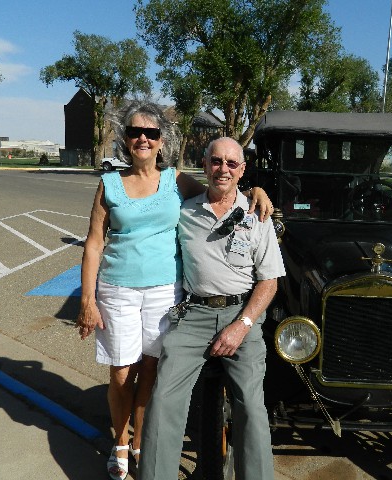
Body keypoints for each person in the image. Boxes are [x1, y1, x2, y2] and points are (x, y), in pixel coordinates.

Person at [75, 104, 273, 480]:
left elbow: (222, 193)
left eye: (150, 133)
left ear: (162, 140)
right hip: (118, 289)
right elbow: (94, 243)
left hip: (165, 290)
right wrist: (87, 300)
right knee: (122, 373)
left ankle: (142, 443)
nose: (143, 139)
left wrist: (256, 191)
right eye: (135, 132)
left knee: (152, 371)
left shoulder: (176, 181)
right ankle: (120, 442)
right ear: (126, 138)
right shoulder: (110, 184)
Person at [138, 137, 286, 480]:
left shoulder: (256, 213)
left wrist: (243, 325)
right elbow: (150, 180)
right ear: (204, 165)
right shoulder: (185, 211)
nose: (223, 169)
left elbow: (269, 282)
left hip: (242, 316)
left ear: (242, 170)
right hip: (194, 317)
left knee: (251, 405)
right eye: (216, 161)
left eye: (232, 164)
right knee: (163, 400)